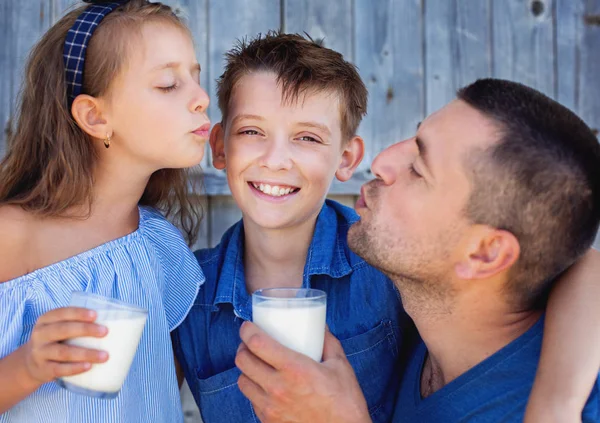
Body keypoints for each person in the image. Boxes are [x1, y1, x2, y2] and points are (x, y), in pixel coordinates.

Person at [172, 31, 600, 423]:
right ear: (220, 146)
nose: (379, 162)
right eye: (252, 131)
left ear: (485, 253)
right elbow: (586, 263)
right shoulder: (427, 319)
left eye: (418, 167)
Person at [172, 32, 405, 423]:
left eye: (307, 137)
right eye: (252, 131)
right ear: (220, 147)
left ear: (346, 158)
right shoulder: (187, 294)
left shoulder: (389, 269)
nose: (276, 160)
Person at [0, 1, 209, 421]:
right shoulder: (12, 235)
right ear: (95, 116)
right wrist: (27, 366)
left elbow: (158, 391)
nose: (202, 99)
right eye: (169, 84)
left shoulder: (160, 245)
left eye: (195, 77)